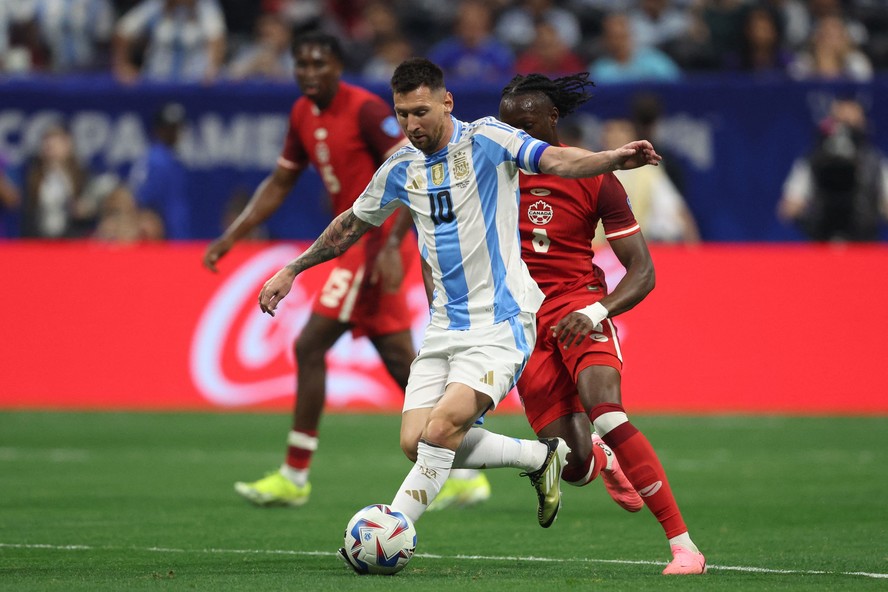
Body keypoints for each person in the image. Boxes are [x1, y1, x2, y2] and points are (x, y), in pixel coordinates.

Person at [254, 58, 662, 567]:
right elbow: (350, 225)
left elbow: (556, 161)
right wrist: (293, 269)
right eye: (403, 115)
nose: (412, 125)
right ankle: (543, 458)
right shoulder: (401, 167)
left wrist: (610, 159)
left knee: (441, 430)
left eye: (421, 111)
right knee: (414, 441)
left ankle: (387, 535)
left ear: (447, 102)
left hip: (503, 323)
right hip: (445, 328)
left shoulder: (488, 139)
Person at [203, 33, 490, 509]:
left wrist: (394, 245)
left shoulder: (364, 110)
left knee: (309, 343)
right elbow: (280, 181)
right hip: (354, 244)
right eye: (301, 64)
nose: (309, 72)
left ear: (338, 65)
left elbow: (408, 171)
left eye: (319, 63)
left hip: (368, 245)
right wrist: (235, 234)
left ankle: (295, 475)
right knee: (402, 361)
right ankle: (459, 470)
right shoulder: (301, 114)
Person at [498, 72, 706, 575]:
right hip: (523, 321)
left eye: (528, 124)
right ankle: (602, 461)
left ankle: (684, 547)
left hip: (578, 306)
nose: (518, 137)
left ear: (553, 119)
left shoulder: (593, 176)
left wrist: (596, 310)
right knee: (570, 467)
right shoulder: (493, 176)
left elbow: (643, 271)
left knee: (608, 413)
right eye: (510, 127)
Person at [778, 97, 888, 241]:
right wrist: (806, 213)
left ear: (863, 124)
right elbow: (788, 208)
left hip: (863, 245)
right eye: (841, 121)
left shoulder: (876, 162)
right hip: (822, 244)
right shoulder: (812, 160)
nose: (845, 131)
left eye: (851, 124)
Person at [600, 118, 700, 243]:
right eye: (610, 131)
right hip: (596, 251)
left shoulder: (648, 172)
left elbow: (676, 210)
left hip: (635, 250)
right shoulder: (592, 169)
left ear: (634, 138)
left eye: (622, 131)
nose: (615, 136)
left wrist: (693, 251)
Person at [112, 0, 227, 84]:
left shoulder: (206, 6)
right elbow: (122, 32)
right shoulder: (155, 5)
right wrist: (122, 65)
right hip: (156, 82)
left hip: (193, 84)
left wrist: (212, 67)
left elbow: (216, 39)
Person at [127, 102, 190, 240]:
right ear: (159, 129)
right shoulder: (154, 160)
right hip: (164, 238)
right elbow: (143, 203)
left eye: (177, 128)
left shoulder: (169, 159)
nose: (175, 133)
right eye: (170, 128)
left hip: (177, 235)